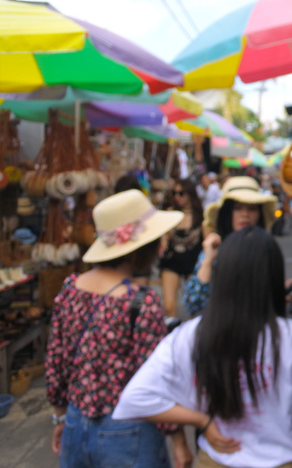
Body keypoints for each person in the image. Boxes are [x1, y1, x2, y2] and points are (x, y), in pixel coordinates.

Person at [113, 227, 292, 468]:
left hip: (217, 459)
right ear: (273, 275)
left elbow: (134, 399)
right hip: (286, 460)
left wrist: (202, 421)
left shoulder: (192, 334)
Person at [45, 190, 192, 468]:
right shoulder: (140, 301)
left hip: (76, 423)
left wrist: (60, 417)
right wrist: (179, 441)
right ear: (142, 248)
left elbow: (56, 360)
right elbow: (156, 380)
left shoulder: (70, 288)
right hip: (129, 430)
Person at [182, 176, 277, 317]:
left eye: (252, 208)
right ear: (227, 213)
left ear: (259, 214)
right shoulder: (215, 249)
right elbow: (193, 304)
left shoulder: (267, 249)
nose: (245, 214)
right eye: (237, 208)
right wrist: (208, 260)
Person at [158, 179, 204, 320]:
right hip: (172, 261)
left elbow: (207, 240)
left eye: (181, 193)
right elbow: (163, 237)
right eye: (174, 193)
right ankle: (172, 333)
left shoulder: (200, 215)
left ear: (190, 194)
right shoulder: (170, 214)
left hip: (193, 262)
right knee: (169, 307)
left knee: (195, 307)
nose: (177, 197)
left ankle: (192, 337)